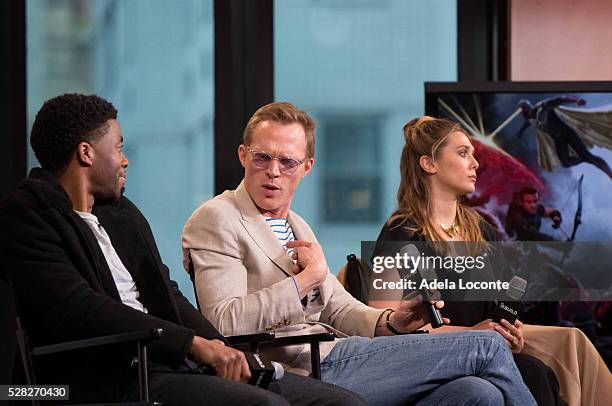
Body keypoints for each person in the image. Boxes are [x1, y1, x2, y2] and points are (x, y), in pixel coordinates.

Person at [0, 94, 365, 406]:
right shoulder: (27, 215)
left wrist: (223, 349)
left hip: (168, 362)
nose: (125, 159)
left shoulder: (119, 214)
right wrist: (191, 345)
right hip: (99, 378)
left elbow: (169, 294)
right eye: (119, 147)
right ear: (86, 153)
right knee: (264, 403)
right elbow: (81, 308)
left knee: (341, 402)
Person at [182, 102, 537, 405]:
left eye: (287, 162)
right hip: (300, 368)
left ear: (306, 167)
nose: (273, 171)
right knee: (487, 346)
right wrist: (304, 281)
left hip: (339, 353)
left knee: (477, 393)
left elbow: (339, 307)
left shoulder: (298, 224)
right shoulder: (217, 218)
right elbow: (223, 323)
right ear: (243, 155)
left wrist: (392, 323)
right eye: (262, 158)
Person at [373, 116, 611, 406]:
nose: (475, 163)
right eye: (463, 153)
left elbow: (502, 302)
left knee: (537, 372)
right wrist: (473, 336)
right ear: (429, 164)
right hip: (432, 363)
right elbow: (382, 324)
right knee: (531, 375)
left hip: (487, 357)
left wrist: (511, 332)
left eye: (474, 154)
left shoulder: (480, 229)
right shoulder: (401, 231)